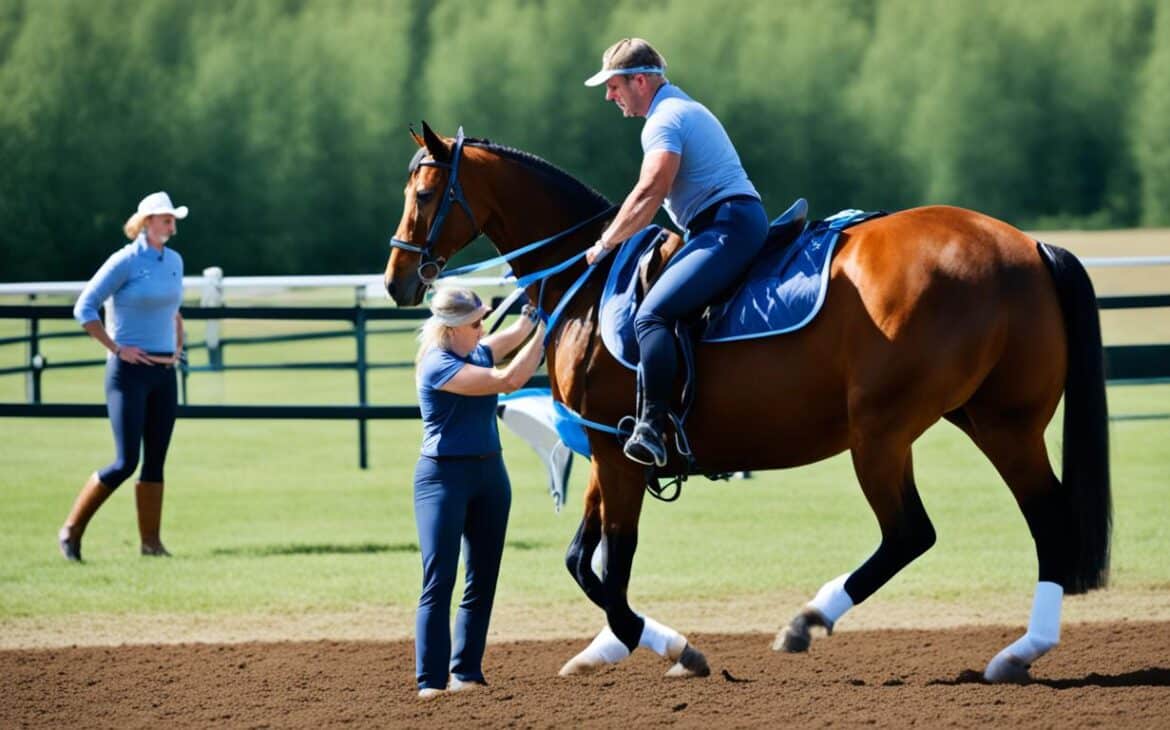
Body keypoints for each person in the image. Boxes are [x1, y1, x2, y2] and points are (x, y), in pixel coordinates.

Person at [584, 38, 769, 468]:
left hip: (725, 225)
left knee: (651, 315)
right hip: (727, 222)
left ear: (641, 80)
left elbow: (650, 190)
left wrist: (606, 242)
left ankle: (651, 426)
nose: (609, 96)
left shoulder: (663, 120)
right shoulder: (680, 109)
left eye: (613, 86)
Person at [412, 287, 546, 700]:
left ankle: (466, 672)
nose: (483, 328)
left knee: (483, 578)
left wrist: (538, 306)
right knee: (440, 579)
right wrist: (548, 329)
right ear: (451, 329)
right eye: (475, 323)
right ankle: (431, 682)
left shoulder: (479, 348)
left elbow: (522, 329)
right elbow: (509, 379)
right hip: (443, 479)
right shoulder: (438, 364)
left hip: (491, 473)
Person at [59, 192, 188, 561]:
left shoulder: (174, 261)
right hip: (128, 375)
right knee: (125, 461)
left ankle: (151, 544)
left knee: (156, 460)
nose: (171, 224)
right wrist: (116, 348)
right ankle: (71, 530)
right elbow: (84, 307)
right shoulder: (125, 261)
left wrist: (177, 346)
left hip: (163, 374)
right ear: (147, 221)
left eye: (172, 218)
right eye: (165, 218)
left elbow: (173, 310)